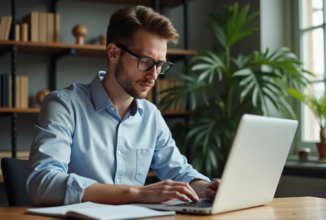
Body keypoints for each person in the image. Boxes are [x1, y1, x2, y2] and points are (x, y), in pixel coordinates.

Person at [26, 5, 220, 206]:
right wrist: (136, 192)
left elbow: (179, 172)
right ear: (113, 53)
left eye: (160, 65)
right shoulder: (63, 105)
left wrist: (207, 187)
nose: (154, 75)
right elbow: (42, 183)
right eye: (145, 61)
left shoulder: (151, 116)